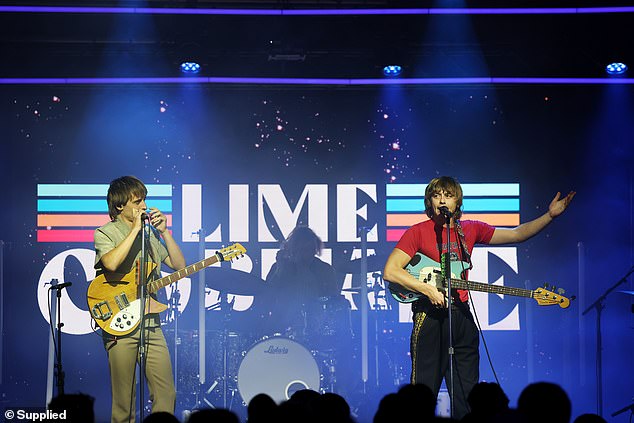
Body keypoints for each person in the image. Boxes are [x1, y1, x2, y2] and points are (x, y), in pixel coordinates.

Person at [382, 176, 575, 419]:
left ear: (457, 201)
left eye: (448, 195)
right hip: (430, 318)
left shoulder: (471, 229)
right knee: (422, 394)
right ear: (429, 202)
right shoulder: (417, 232)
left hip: (462, 316)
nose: (442, 200)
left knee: (467, 396)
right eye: (436, 195)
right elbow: (391, 271)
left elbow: (516, 235)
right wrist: (427, 289)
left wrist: (549, 216)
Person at [94, 176, 186, 423]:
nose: (144, 206)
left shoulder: (151, 235)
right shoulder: (106, 232)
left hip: (151, 323)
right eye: (137, 201)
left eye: (144, 199)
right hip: (120, 325)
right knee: (124, 402)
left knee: (166, 394)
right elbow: (111, 264)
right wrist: (135, 229)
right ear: (120, 206)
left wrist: (164, 233)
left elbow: (179, 266)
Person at [260, 226, 344, 340]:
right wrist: (281, 268)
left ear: (315, 249)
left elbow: (333, 302)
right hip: (282, 326)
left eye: (309, 249)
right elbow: (267, 296)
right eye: (302, 249)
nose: (306, 253)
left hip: (316, 328)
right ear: (293, 249)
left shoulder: (325, 270)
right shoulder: (280, 267)